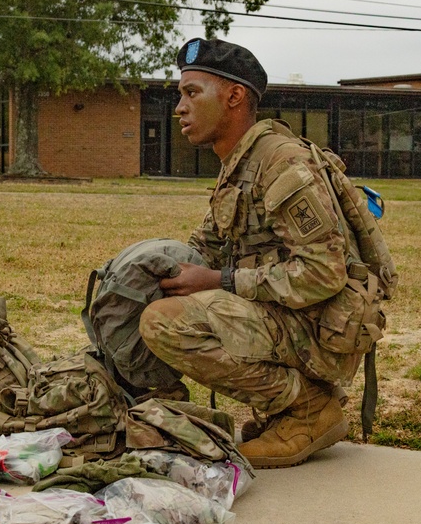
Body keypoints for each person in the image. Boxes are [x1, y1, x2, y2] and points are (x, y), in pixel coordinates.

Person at [139, 38, 377, 469]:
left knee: (165, 323)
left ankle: (308, 408)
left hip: (320, 326)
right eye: (180, 95)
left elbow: (324, 272)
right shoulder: (240, 165)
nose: (179, 108)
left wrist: (219, 281)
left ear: (234, 96)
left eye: (192, 93)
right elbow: (207, 246)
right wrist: (148, 269)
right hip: (291, 317)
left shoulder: (279, 163)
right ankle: (290, 408)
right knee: (150, 299)